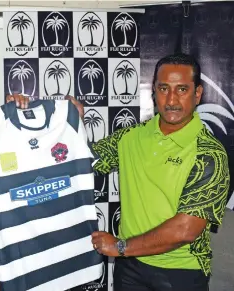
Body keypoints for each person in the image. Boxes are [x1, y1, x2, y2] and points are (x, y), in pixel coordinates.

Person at [90, 53, 230, 291]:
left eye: (182, 89)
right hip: (130, 268)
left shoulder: (209, 153)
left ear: (198, 94)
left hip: (181, 272)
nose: (171, 99)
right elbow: (82, 162)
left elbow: (185, 230)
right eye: (164, 88)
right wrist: (68, 119)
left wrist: (120, 247)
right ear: (154, 90)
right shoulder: (129, 137)